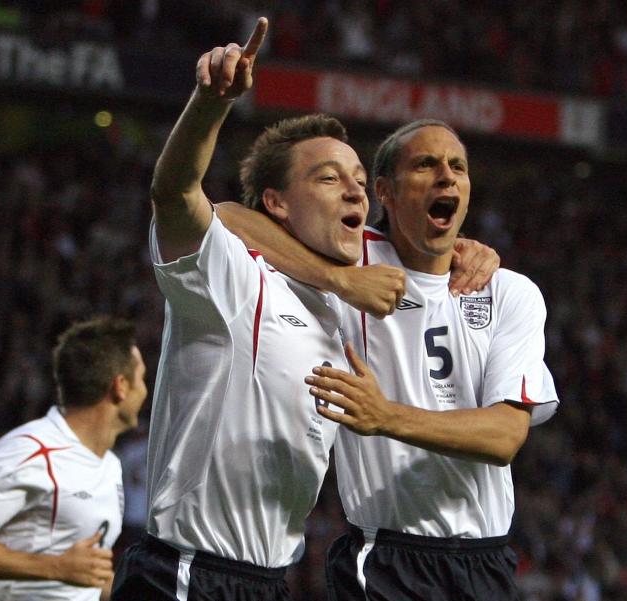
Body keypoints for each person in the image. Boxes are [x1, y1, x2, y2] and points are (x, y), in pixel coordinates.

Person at [109, 18, 405, 601]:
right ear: (277, 202)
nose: (355, 192)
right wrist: (208, 105)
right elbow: (180, 197)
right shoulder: (238, 277)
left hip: (269, 580)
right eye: (328, 178)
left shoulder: (341, 303)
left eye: (358, 181)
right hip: (188, 573)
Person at [220, 119, 559, 600]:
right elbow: (226, 216)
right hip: (385, 562)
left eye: (457, 166)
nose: (446, 175)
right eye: (425, 164)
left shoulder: (509, 291)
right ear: (385, 191)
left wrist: (387, 417)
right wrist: (336, 280)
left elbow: (505, 435)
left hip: (487, 562)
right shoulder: (348, 257)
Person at [0, 316, 148, 600]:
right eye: (142, 378)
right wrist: (57, 567)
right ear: (120, 386)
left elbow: (84, 575)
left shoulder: (109, 466)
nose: (145, 389)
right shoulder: (34, 450)